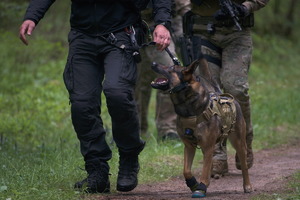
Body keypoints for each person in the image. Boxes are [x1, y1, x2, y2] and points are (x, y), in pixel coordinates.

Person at [19, 0, 172, 193]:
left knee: (117, 93)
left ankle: (129, 156)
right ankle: (97, 169)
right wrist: (32, 16)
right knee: (82, 103)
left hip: (121, 33)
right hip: (82, 36)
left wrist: (162, 22)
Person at [184, 0, 269, 178]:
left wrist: (246, 7)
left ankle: (244, 141)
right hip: (202, 30)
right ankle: (216, 154)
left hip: (236, 31)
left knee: (235, 88)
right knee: (208, 94)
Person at [135, 0, 191, 141]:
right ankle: (136, 128)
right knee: (137, 80)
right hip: (133, 23)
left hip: (166, 21)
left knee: (170, 74)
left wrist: (186, 20)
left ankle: (168, 129)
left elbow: (182, 5)